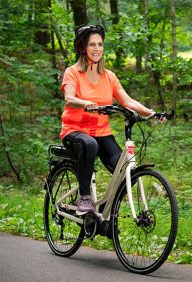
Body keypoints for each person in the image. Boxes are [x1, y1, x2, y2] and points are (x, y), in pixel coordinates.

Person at [60, 25, 154, 214]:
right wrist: (85, 102)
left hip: (102, 132)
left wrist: (150, 113)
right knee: (90, 145)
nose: (97, 49)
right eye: (92, 44)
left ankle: (105, 210)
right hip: (75, 131)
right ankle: (85, 198)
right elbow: (69, 98)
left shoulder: (109, 76)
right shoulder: (73, 72)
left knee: (127, 170)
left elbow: (127, 100)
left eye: (100, 44)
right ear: (82, 48)